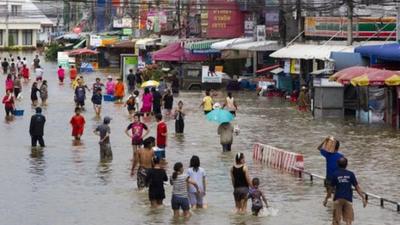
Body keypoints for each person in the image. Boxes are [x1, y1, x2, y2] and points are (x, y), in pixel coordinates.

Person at [323, 157, 367, 225]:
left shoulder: (335, 174)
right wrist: (363, 198)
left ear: (337, 165)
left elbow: (330, 189)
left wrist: (326, 199)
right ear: (347, 164)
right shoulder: (351, 174)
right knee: (348, 221)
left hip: (338, 199)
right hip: (348, 199)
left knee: (336, 221)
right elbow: (357, 187)